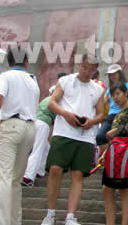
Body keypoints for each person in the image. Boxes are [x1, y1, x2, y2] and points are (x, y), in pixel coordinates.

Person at [41, 54, 106, 225]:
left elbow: (101, 114)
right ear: (80, 65)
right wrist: (66, 114)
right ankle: (50, 213)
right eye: (85, 68)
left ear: (95, 71)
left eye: (91, 70)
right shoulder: (65, 81)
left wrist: (91, 121)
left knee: (78, 174)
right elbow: (52, 102)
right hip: (63, 133)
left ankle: (70, 216)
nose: (87, 72)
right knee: (55, 169)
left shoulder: (98, 89)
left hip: (85, 137)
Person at [0, 47, 40, 225]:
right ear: (26, 62)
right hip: (29, 128)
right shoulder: (32, 80)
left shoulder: (5, 77)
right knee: (15, 180)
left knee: (4, 177)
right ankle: (14, 221)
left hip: (11, 125)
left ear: (8, 62)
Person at [100, 82, 128, 225]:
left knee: (124, 189)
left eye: (118, 94)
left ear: (125, 93)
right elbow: (115, 138)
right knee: (107, 188)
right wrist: (106, 152)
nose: (115, 97)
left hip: (127, 151)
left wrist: (116, 130)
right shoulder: (118, 113)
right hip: (116, 151)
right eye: (112, 95)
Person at [21, 86, 57, 187]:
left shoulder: (46, 99)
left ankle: (40, 171)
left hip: (34, 122)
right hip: (43, 124)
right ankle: (28, 177)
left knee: (46, 148)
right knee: (38, 150)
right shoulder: (55, 100)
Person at [96, 64, 128, 152]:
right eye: (110, 75)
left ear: (120, 73)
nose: (112, 77)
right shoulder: (109, 89)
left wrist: (125, 108)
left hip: (124, 115)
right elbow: (103, 102)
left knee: (120, 139)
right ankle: (111, 156)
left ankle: (118, 157)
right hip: (110, 116)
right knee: (99, 137)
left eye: (114, 74)